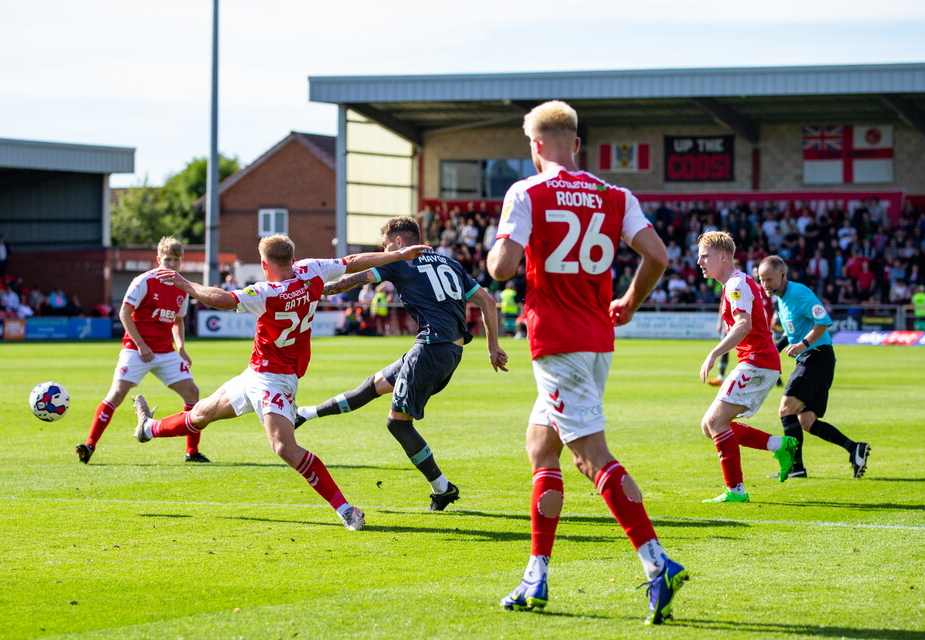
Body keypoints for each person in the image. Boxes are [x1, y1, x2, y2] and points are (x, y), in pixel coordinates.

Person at [486, 100, 686, 625]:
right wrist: (629, 302)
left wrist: (499, 245)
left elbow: (503, 268)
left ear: (534, 146)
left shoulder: (526, 192)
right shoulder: (614, 194)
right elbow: (659, 256)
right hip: (596, 339)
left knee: (590, 456)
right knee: (541, 446)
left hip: (557, 342)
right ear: (576, 144)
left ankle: (656, 562)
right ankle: (536, 575)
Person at [132, 234, 431, 531]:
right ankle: (147, 428)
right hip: (255, 374)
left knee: (284, 447)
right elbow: (352, 262)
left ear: (265, 264)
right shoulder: (311, 270)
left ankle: (346, 510)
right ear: (291, 257)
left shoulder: (267, 292)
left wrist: (185, 284)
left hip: (276, 379)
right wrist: (399, 253)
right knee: (200, 414)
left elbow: (223, 299)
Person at [294, 216, 508, 510]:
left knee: (398, 424)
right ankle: (304, 414)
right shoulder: (451, 263)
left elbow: (349, 281)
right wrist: (493, 347)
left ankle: (442, 488)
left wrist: (307, 291)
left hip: (430, 348)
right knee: (373, 385)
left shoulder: (400, 260)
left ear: (398, 241)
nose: (384, 251)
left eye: (385, 246)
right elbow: (486, 300)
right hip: (448, 351)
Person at [76, 237, 207, 464]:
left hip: (165, 352)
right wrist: (141, 345)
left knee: (192, 393)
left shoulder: (181, 287)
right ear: (158, 259)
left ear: (181, 262)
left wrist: (182, 349)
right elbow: (124, 314)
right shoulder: (143, 281)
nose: (172, 264)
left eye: (176, 260)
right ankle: (89, 445)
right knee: (116, 395)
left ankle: (192, 452)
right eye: (167, 259)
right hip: (136, 350)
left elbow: (177, 321)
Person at [696, 231, 798, 503]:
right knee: (711, 426)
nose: (699, 262)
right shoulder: (733, 284)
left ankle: (736, 491)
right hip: (755, 361)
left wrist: (714, 353)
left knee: (716, 422)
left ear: (723, 256)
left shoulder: (735, 284)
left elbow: (744, 324)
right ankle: (780, 445)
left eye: (705, 256)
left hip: (758, 361)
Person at [758, 255, 870, 478]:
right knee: (806, 420)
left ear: (782, 275)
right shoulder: (781, 299)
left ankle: (795, 468)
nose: (765, 285)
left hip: (816, 356)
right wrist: (772, 350)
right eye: (762, 280)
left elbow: (824, 320)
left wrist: (803, 344)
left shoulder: (799, 293)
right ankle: (854, 448)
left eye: (769, 279)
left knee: (785, 410)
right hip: (816, 358)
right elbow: (791, 335)